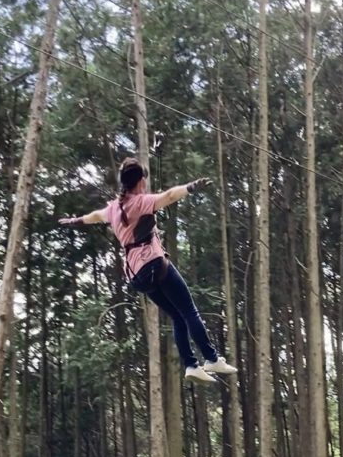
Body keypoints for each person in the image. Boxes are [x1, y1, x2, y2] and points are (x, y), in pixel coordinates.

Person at [59, 157, 237, 385]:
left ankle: (191, 365)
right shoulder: (141, 202)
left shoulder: (113, 209)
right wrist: (191, 187)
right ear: (140, 181)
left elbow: (94, 216)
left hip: (137, 276)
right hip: (154, 263)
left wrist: (75, 221)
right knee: (189, 311)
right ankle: (211, 359)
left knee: (177, 316)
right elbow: (169, 196)